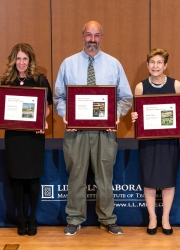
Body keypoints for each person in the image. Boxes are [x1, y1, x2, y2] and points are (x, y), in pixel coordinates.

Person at [53, 20, 133, 236]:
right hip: (75, 132)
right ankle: (74, 218)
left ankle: (107, 219)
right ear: (82, 36)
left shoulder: (113, 64)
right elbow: (58, 97)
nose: (92, 40)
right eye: (89, 35)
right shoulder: (67, 64)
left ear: (101, 38)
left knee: (104, 177)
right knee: (76, 176)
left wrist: (115, 115)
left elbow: (126, 97)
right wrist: (65, 115)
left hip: (104, 133)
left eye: (96, 35)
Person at [131, 48, 180, 235]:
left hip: (168, 141)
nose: (155, 66)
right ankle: (152, 217)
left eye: (159, 63)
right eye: (152, 62)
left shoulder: (176, 85)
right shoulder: (140, 87)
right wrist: (135, 116)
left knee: (168, 180)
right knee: (149, 180)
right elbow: (138, 114)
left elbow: (179, 113)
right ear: (147, 65)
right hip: (148, 142)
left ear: (165, 65)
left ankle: (165, 218)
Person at [1, 43, 52, 236]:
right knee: (16, 178)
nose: (21, 62)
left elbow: (47, 105)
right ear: (13, 60)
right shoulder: (6, 81)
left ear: (30, 60)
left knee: (32, 178)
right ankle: (20, 218)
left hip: (34, 136)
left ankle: (32, 218)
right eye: (18, 58)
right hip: (14, 137)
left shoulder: (39, 80)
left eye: (25, 58)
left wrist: (42, 120)